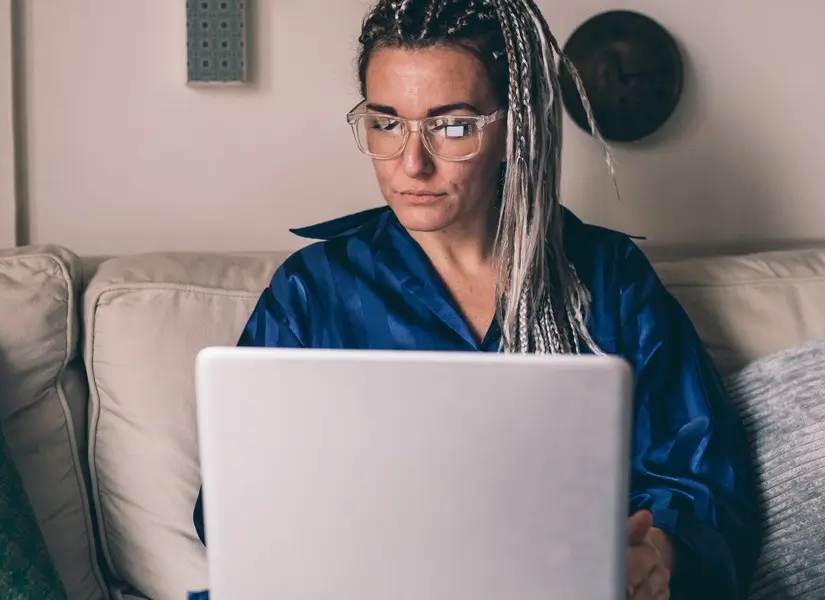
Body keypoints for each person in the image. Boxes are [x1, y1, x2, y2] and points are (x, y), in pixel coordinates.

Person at [192, 1, 759, 598]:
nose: (412, 163)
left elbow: (704, 481)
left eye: (453, 125)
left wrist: (657, 554)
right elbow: (233, 508)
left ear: (515, 125)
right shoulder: (311, 291)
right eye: (387, 123)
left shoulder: (608, 278)